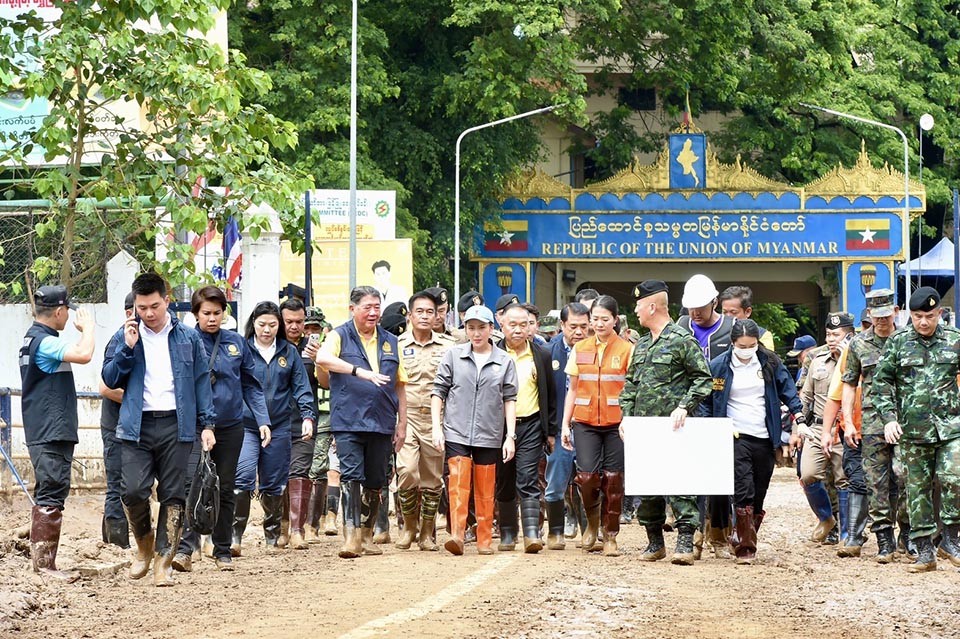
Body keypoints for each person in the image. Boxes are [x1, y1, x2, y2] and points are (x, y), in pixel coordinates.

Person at [102, 272, 216, 587]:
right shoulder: (123, 336)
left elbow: (201, 382)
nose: (149, 313)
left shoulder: (188, 337)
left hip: (176, 424)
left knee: (173, 494)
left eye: (154, 305)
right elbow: (109, 379)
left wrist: (207, 424)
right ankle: (143, 545)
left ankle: (163, 561)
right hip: (136, 425)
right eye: (142, 307)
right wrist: (127, 348)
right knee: (133, 490)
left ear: (166, 300)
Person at [173, 286, 271, 571]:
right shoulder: (184, 342)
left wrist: (262, 419)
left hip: (231, 426)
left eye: (217, 313)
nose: (212, 319)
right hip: (193, 427)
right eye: (206, 313)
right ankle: (185, 550)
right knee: (192, 485)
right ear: (195, 314)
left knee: (225, 487)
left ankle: (222, 548)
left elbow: (251, 385)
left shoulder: (237, 343)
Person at [620, 280, 713, 565]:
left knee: (680, 483)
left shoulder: (681, 340)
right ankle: (655, 542)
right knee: (647, 485)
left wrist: (685, 405)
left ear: (651, 306)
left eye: (638, 305)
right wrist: (625, 416)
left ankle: (685, 541)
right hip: (644, 428)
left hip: (674, 429)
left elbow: (703, 379)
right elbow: (631, 383)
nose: (635, 310)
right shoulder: (643, 344)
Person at [699, 320, 805, 564]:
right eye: (742, 346)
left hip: (765, 435)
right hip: (735, 435)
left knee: (759, 491)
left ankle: (742, 534)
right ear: (733, 344)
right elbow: (706, 399)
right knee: (743, 489)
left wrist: (798, 415)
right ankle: (746, 548)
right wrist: (713, 426)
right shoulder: (719, 366)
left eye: (752, 345)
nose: (747, 350)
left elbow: (787, 389)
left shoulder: (770, 362)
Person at [315, 286, 408, 559]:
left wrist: (402, 423)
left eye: (377, 307)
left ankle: (367, 535)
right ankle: (351, 536)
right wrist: (359, 372)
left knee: (376, 479)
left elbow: (400, 385)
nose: (373, 312)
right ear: (352, 308)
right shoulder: (339, 335)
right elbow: (322, 358)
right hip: (348, 420)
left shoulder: (390, 340)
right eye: (367, 307)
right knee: (351, 476)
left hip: (382, 421)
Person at [873, 287, 960, 572]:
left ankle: (950, 539)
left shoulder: (954, 340)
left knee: (954, 476)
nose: (924, 322)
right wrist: (889, 418)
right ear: (910, 315)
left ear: (940, 314)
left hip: (950, 427)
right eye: (918, 316)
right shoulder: (898, 343)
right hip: (912, 429)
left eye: (930, 316)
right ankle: (925, 551)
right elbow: (881, 383)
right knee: (917, 490)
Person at [21, 284, 95, 581]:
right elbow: (84, 354)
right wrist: (87, 328)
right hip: (50, 430)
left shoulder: (34, 339)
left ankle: (45, 563)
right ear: (60, 311)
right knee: (51, 492)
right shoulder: (45, 342)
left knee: (51, 491)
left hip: (48, 427)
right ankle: (45, 567)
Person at [431, 304, 518, 555]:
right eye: (471, 328)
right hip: (456, 429)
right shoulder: (453, 356)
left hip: (489, 432)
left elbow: (509, 399)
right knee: (458, 482)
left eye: (481, 328)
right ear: (465, 330)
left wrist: (509, 436)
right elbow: (439, 392)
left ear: (492, 329)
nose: (476, 333)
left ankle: (484, 538)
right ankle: (457, 535)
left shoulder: (504, 361)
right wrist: (437, 427)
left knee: (485, 486)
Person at [829, 289, 907, 561]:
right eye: (877, 316)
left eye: (887, 315)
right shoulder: (859, 344)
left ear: (895, 311)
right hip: (872, 422)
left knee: (906, 476)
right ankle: (884, 540)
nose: (882, 321)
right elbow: (848, 385)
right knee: (875, 482)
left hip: (907, 419)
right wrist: (848, 422)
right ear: (870, 315)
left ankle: (907, 536)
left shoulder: (908, 340)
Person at [233, 301, 315, 555]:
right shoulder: (242, 350)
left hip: (279, 424)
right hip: (246, 425)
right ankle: (235, 535)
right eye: (261, 325)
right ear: (253, 324)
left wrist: (308, 416)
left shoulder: (288, 352)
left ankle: (272, 533)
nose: (266, 330)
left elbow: (302, 387)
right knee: (243, 476)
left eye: (272, 325)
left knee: (274, 482)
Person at [560, 295, 634, 556]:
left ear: (615, 319)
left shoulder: (627, 349)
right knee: (587, 477)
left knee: (614, 480)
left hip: (616, 423)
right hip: (585, 421)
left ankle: (610, 535)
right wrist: (565, 424)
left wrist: (628, 419)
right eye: (595, 319)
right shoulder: (580, 349)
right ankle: (591, 524)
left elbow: (632, 389)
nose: (599, 324)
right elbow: (573, 389)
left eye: (605, 319)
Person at [395, 291, 456, 551]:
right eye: (419, 311)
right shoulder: (396, 344)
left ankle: (428, 532)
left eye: (430, 312)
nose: (424, 316)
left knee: (432, 478)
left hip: (436, 420)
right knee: (407, 471)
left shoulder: (448, 347)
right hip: (405, 418)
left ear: (437, 316)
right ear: (409, 315)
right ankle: (409, 526)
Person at [496, 303, 556, 553]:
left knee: (528, 477)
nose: (519, 330)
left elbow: (550, 396)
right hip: (497, 428)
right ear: (501, 325)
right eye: (513, 325)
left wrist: (550, 432)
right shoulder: (493, 353)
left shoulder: (540, 354)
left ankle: (532, 533)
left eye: (524, 324)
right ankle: (508, 533)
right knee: (504, 479)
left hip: (531, 423)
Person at [793, 312, 853, 544]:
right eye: (828, 334)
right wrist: (799, 428)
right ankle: (826, 518)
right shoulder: (817, 360)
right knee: (807, 474)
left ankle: (847, 532)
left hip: (844, 427)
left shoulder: (855, 359)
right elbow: (805, 397)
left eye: (836, 335)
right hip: (817, 427)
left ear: (849, 335)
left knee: (844, 479)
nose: (831, 339)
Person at [543, 302, 590, 550]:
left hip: (587, 428)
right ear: (562, 325)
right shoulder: (548, 353)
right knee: (556, 480)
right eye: (573, 326)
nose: (579, 332)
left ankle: (589, 532)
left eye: (584, 326)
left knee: (588, 480)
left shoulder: (595, 351)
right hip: (557, 430)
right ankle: (555, 532)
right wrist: (550, 431)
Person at [279, 298, 323, 551]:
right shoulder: (272, 347)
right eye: (289, 322)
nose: (295, 326)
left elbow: (326, 383)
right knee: (277, 476)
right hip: (275, 421)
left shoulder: (313, 349)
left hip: (305, 421)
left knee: (299, 471)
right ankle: (281, 524)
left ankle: (298, 529)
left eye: (299, 321)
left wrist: (320, 361)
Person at [98, 292, 134, 549]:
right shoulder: (120, 340)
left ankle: (113, 539)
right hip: (116, 423)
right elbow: (105, 387)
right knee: (117, 484)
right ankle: (116, 544)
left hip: (133, 423)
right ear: (129, 312)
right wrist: (141, 404)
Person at [303, 306, 334, 542]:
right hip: (296, 416)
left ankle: (313, 524)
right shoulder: (291, 349)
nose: (311, 332)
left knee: (318, 466)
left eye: (316, 328)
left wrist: (318, 358)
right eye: (307, 328)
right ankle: (294, 524)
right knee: (298, 468)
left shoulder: (331, 349)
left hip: (324, 413)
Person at [677, 274, 734, 360]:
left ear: (714, 303)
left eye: (702, 307)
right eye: (692, 308)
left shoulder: (732, 326)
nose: (696, 313)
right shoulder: (681, 325)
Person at [718, 285, 775, 350]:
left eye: (733, 312)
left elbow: (769, 358)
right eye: (724, 312)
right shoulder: (714, 334)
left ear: (748, 312)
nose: (728, 316)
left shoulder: (763, 335)